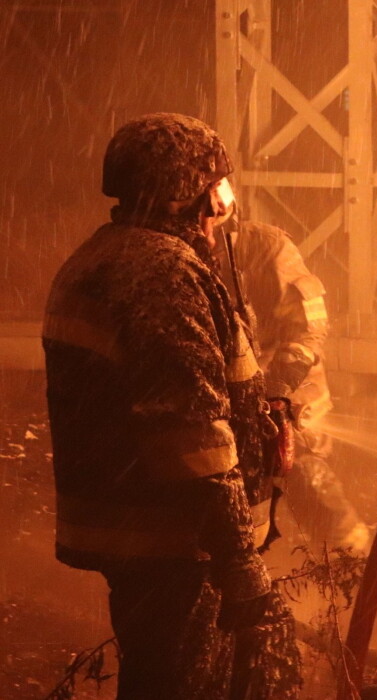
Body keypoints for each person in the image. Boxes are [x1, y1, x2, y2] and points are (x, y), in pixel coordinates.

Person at [42, 113, 301, 698]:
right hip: (178, 544)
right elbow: (191, 435)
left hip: (137, 535)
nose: (224, 203)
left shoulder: (102, 257)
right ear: (190, 191)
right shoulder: (162, 275)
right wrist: (238, 562)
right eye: (219, 185)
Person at [216, 218, 370, 553]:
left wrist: (280, 386)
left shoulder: (266, 247)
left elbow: (307, 327)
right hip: (235, 389)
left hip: (288, 384)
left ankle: (349, 556)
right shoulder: (184, 247)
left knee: (302, 467)